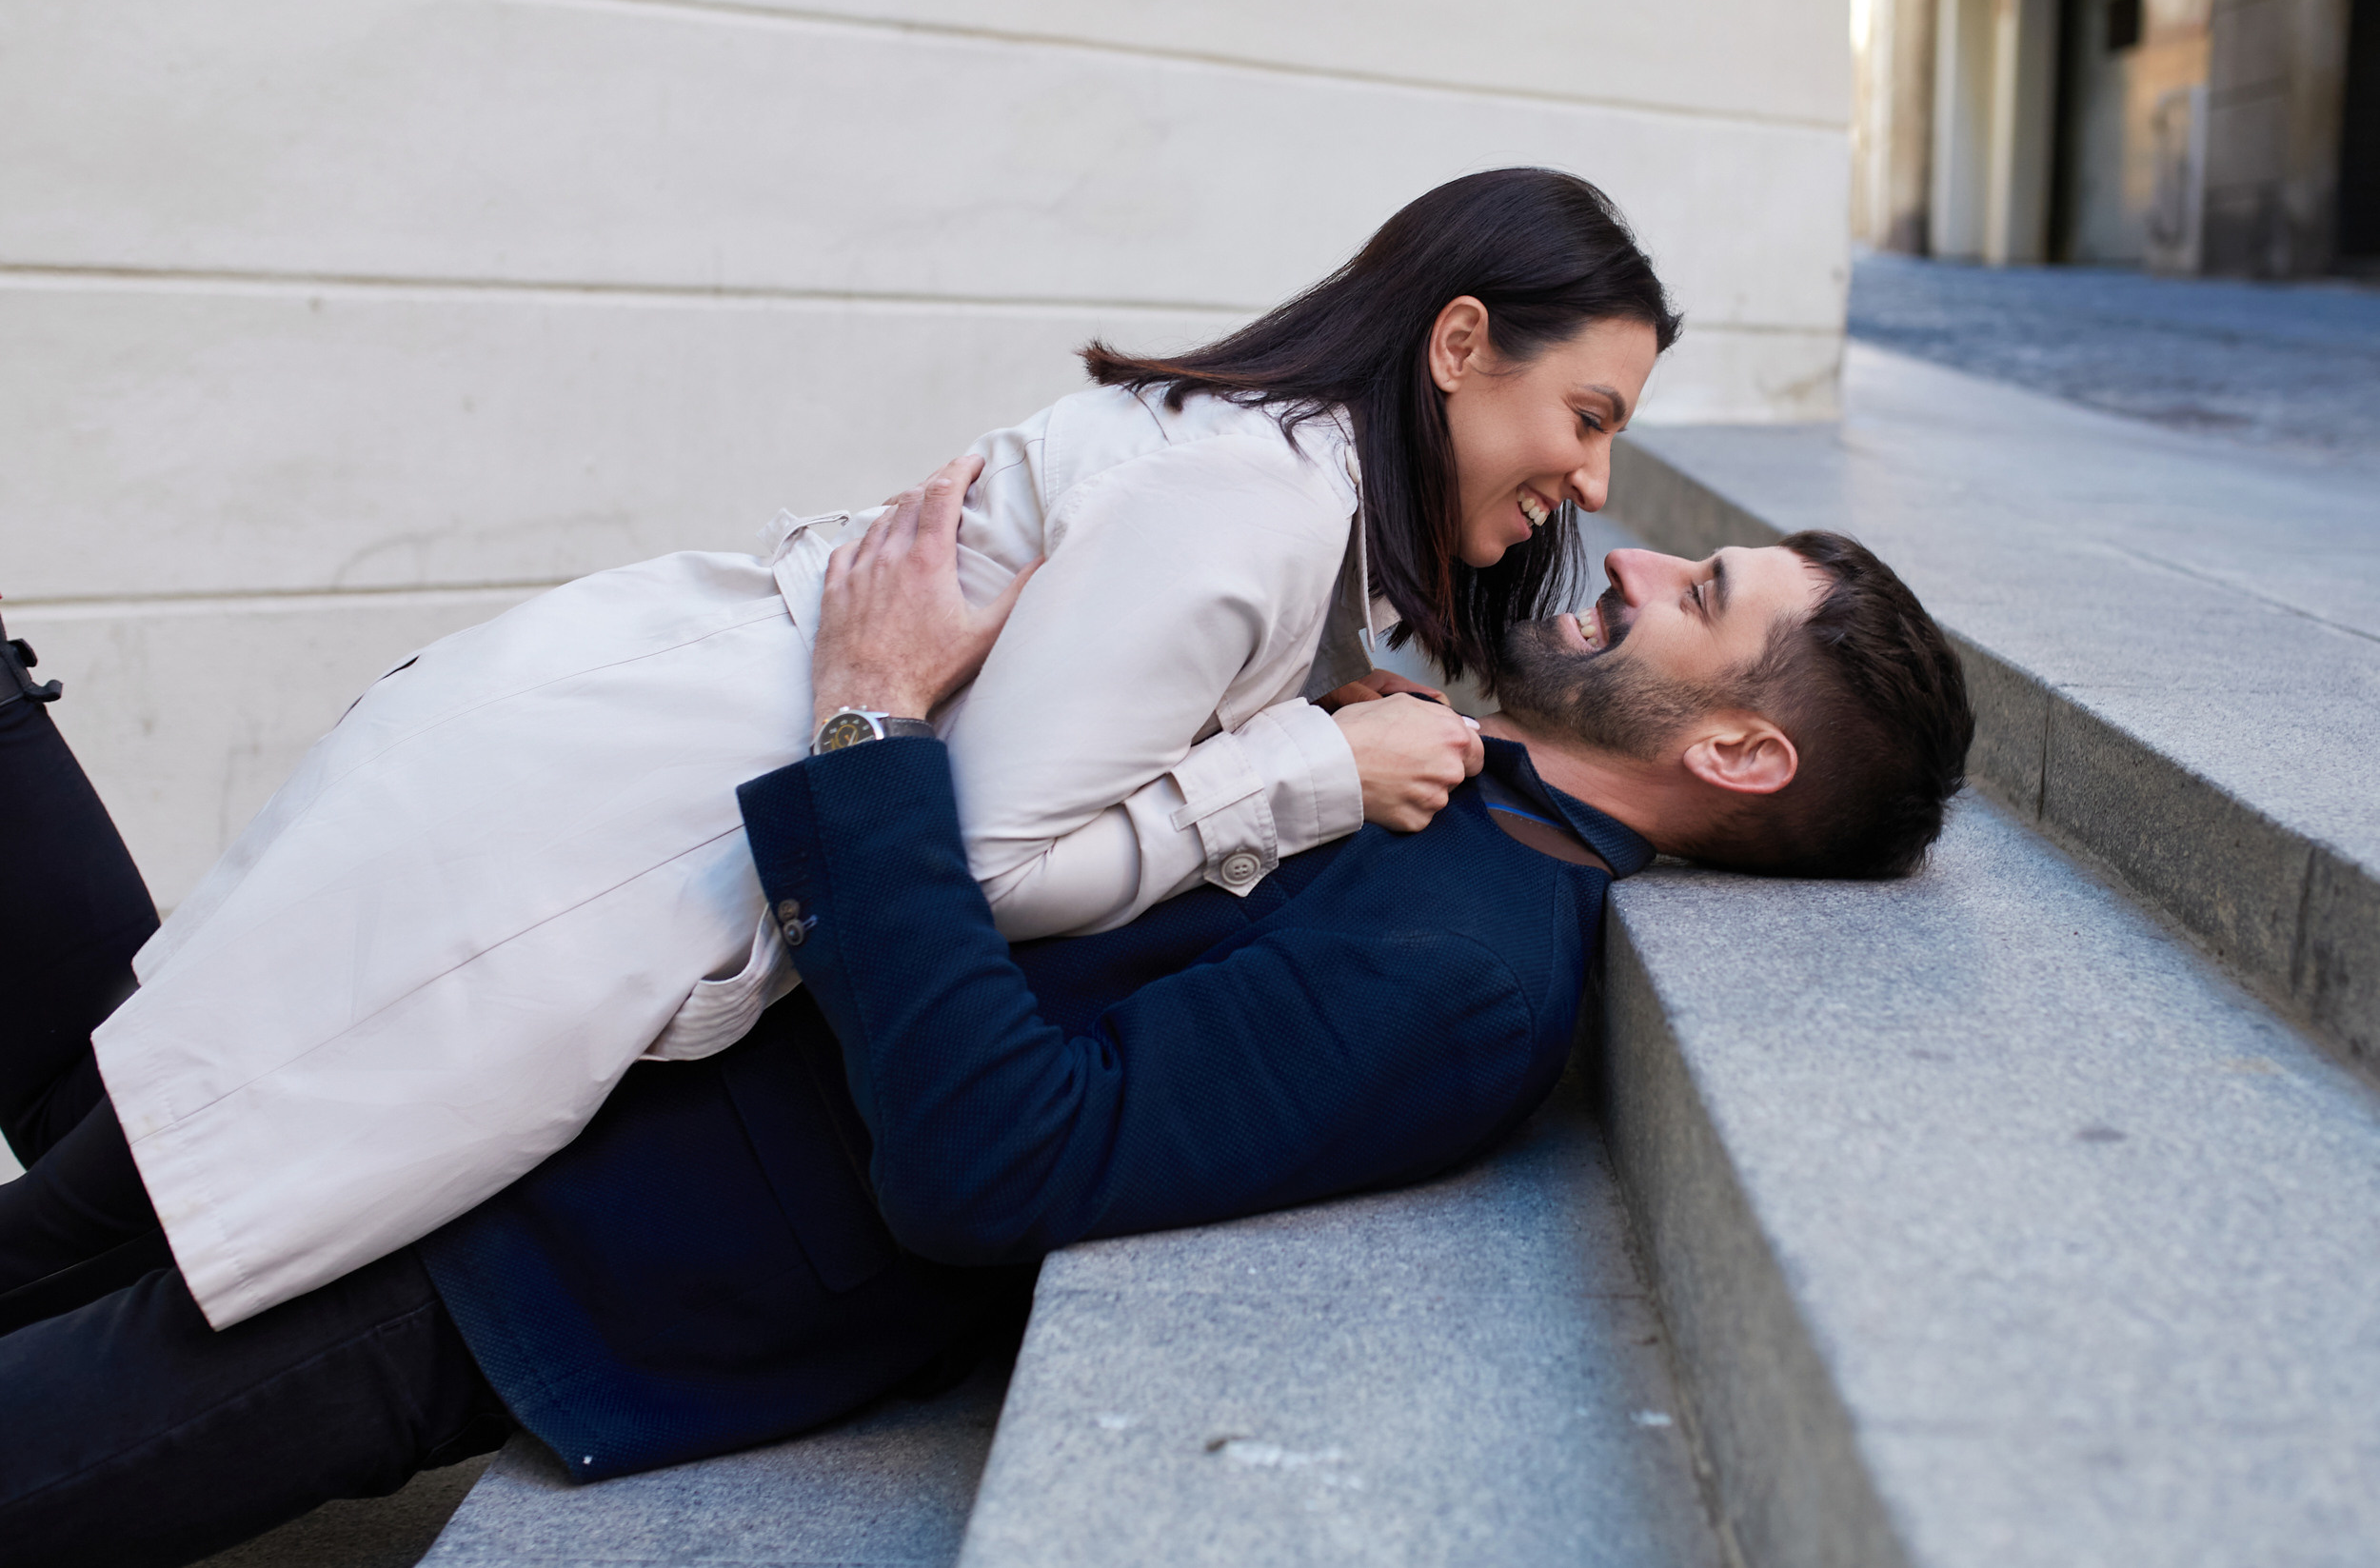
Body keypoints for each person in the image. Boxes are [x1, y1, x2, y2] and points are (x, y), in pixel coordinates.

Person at [0, 470, 1973, 1566]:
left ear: (1738, 748)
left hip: (557, 1266)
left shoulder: (1471, 968)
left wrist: (871, 726)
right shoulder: (1441, 781)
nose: (1637, 551)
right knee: (115, 1136)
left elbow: (999, 1153)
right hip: (530, 1082)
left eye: (1699, 589)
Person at [61, 168, 1682, 1331]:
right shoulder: (1255, 501)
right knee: (115, 1217)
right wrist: (1300, 778)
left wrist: (1295, 728)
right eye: (1590, 416)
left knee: (141, 1206)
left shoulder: (1276, 483)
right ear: (1458, 343)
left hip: (591, 800)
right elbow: (978, 862)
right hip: (567, 844)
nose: (1597, 485)